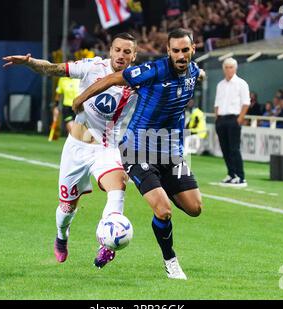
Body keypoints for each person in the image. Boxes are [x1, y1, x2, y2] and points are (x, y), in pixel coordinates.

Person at [72, 28, 206, 280]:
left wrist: (201, 75)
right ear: (168, 51)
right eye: (175, 50)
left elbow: (197, 73)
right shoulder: (153, 70)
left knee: (195, 208)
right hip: (137, 149)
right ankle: (170, 260)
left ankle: (161, 191)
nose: (180, 55)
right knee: (164, 210)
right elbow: (113, 79)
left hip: (171, 153)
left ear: (192, 50)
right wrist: (81, 97)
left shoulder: (194, 71)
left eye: (184, 50)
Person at [2, 33, 138, 269]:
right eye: (118, 50)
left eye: (127, 52)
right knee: (66, 208)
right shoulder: (92, 67)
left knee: (118, 187)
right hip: (76, 149)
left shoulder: (138, 81)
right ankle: (61, 236)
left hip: (106, 149)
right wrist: (31, 63)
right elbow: (53, 69)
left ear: (134, 56)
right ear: (110, 50)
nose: (121, 55)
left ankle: (107, 243)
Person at [214, 57, 250, 187]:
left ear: (235, 68)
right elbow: (217, 103)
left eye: (231, 67)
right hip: (221, 119)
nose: (229, 70)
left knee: (234, 148)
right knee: (225, 149)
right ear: (224, 69)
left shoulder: (241, 83)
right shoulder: (220, 85)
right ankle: (231, 174)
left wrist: (240, 119)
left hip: (234, 118)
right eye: (226, 67)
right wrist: (217, 118)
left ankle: (240, 176)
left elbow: (246, 103)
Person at [49, 74, 80, 140]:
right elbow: (58, 95)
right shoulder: (62, 80)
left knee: (78, 132)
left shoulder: (79, 79)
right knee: (71, 130)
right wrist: (56, 107)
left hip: (79, 108)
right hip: (67, 108)